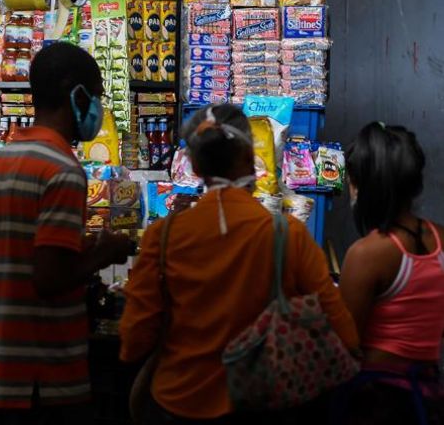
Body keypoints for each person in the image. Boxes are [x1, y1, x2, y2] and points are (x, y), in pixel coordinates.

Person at [119, 104, 358, 424]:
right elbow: (345, 335)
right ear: (250, 160)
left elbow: (134, 342)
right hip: (260, 402)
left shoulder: (163, 238)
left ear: (196, 167)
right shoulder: (288, 236)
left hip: (177, 403)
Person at [0, 42, 134, 424]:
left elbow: (22, 253)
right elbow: (48, 278)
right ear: (74, 93)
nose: (97, 108)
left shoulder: (0, 162)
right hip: (42, 380)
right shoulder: (62, 169)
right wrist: (105, 251)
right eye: (95, 95)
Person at [336, 122, 443, 425]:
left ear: (362, 185)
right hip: (429, 393)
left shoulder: (367, 254)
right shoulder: (441, 240)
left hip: (376, 400)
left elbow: (346, 341)